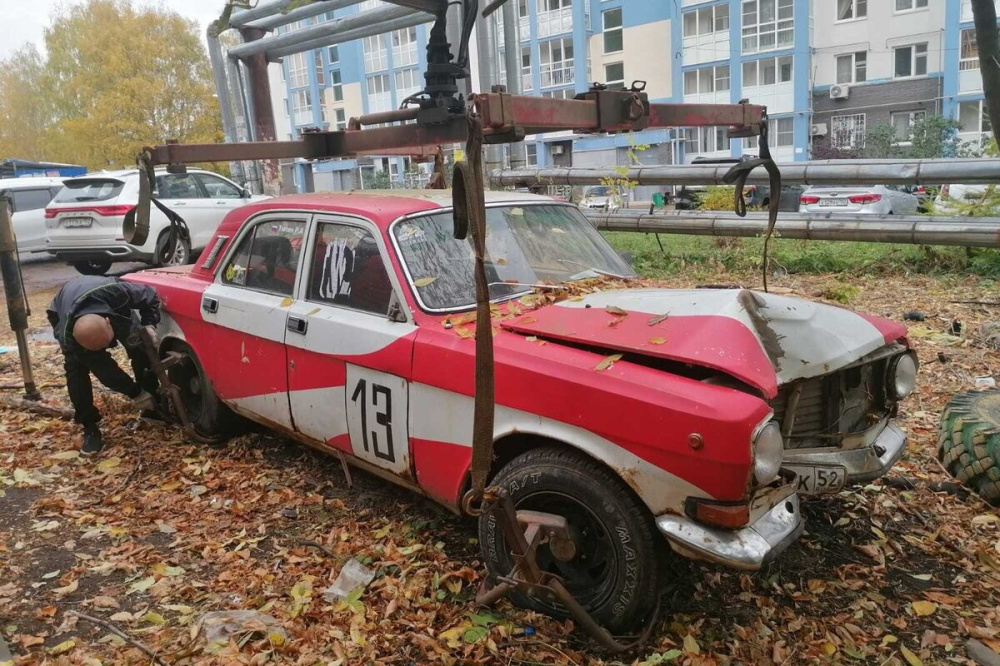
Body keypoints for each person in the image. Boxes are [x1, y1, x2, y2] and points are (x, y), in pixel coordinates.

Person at [46, 276, 162, 454]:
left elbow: (151, 296)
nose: (107, 349)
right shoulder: (69, 338)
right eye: (99, 349)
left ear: (108, 322)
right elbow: (105, 370)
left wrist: (149, 324)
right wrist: (135, 393)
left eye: (106, 344)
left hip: (108, 303)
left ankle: (153, 406)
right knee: (76, 370)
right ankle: (90, 426)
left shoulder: (118, 293)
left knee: (140, 347)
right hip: (61, 309)